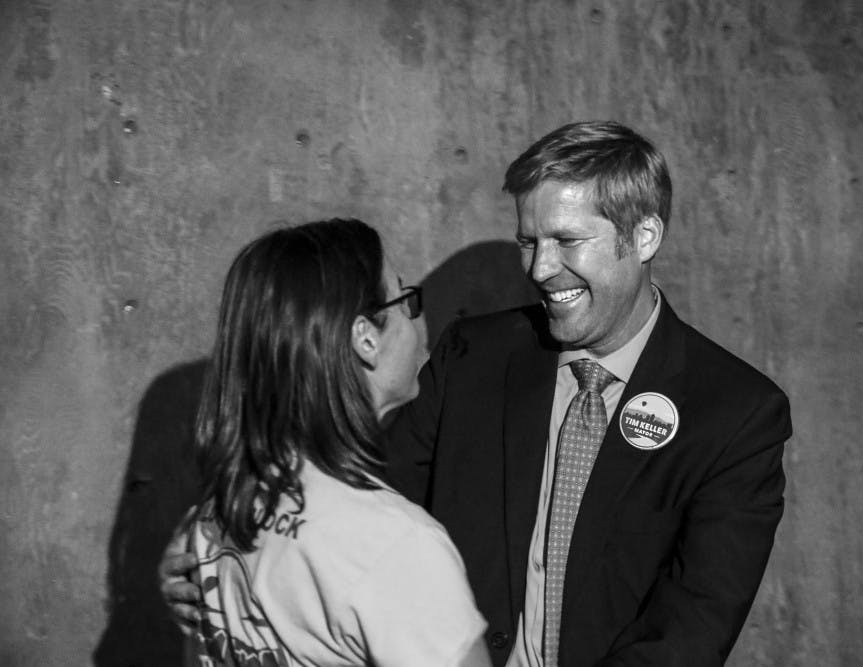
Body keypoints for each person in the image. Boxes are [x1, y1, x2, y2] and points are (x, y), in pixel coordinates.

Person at [163, 123, 792, 666]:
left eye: (568, 241)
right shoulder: (473, 355)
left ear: (645, 236)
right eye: (528, 240)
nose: (540, 268)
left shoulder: (737, 412)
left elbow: (693, 626)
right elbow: (345, 502)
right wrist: (215, 552)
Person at [175, 219, 490, 666]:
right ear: (366, 338)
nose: (418, 321)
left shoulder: (215, 513)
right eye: (405, 299)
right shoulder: (396, 545)